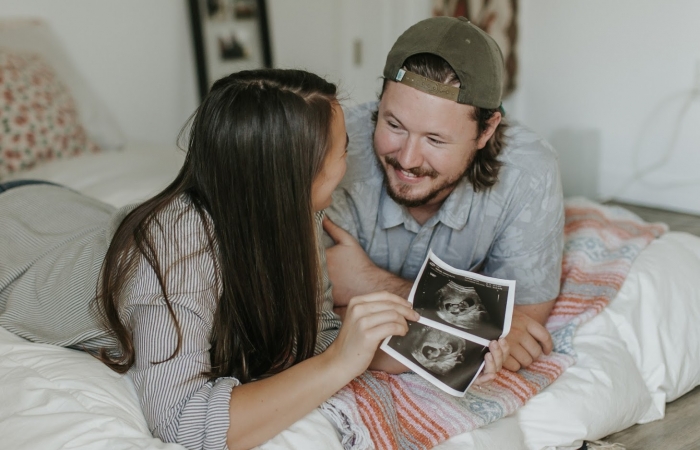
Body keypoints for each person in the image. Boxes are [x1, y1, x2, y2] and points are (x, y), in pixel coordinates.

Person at [0, 69, 507, 450]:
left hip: (72, 212)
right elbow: (182, 418)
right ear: (291, 176)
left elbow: (310, 334)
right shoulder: (177, 260)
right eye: (340, 150)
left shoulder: (292, 210)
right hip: (16, 233)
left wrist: (439, 351)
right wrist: (337, 362)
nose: (349, 160)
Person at [323, 16, 564, 374]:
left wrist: (367, 283)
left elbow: (519, 330)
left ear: (486, 130)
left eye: (435, 140)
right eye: (393, 125)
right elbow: (314, 328)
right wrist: (478, 327)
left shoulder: (529, 173)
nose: (406, 159)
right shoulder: (333, 152)